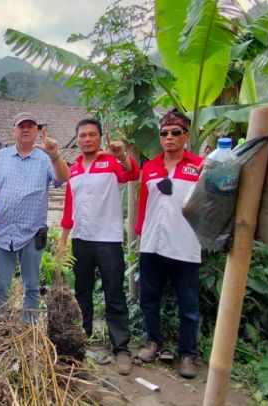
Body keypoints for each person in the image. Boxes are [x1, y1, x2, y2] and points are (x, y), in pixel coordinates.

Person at [58, 118, 139, 375]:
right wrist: (62, 240)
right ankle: (84, 338)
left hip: (108, 239)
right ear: (77, 139)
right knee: (82, 291)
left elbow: (133, 173)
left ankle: (121, 349)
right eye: (82, 135)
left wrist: (122, 155)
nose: (87, 139)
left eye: (92, 135)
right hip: (81, 239)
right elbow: (70, 207)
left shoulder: (112, 163)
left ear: (99, 137)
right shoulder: (74, 169)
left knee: (113, 293)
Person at [0, 112, 69, 322]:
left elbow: (63, 178)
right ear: (14, 131)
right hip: (2, 231)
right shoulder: (0, 157)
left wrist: (55, 155)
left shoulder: (46, 159)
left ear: (37, 130)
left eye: (30, 126)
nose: (26, 129)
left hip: (32, 232)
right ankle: (1, 326)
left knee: (32, 287)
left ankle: (29, 329)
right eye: (21, 126)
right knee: (0, 286)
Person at [134, 110, 204, 379]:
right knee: (148, 298)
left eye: (175, 133)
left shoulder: (199, 166)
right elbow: (143, 207)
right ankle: (153, 342)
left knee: (188, 305)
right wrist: (140, 237)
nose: (169, 137)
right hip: (152, 243)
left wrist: (211, 173)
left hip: (185, 244)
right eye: (164, 133)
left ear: (186, 136)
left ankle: (188, 354)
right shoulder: (150, 167)